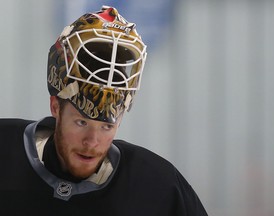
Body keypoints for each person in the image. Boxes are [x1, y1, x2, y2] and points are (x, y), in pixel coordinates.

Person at [0, 5, 208, 216]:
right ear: (55, 107)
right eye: (82, 123)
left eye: (107, 126)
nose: (92, 142)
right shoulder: (5, 150)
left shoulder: (158, 186)